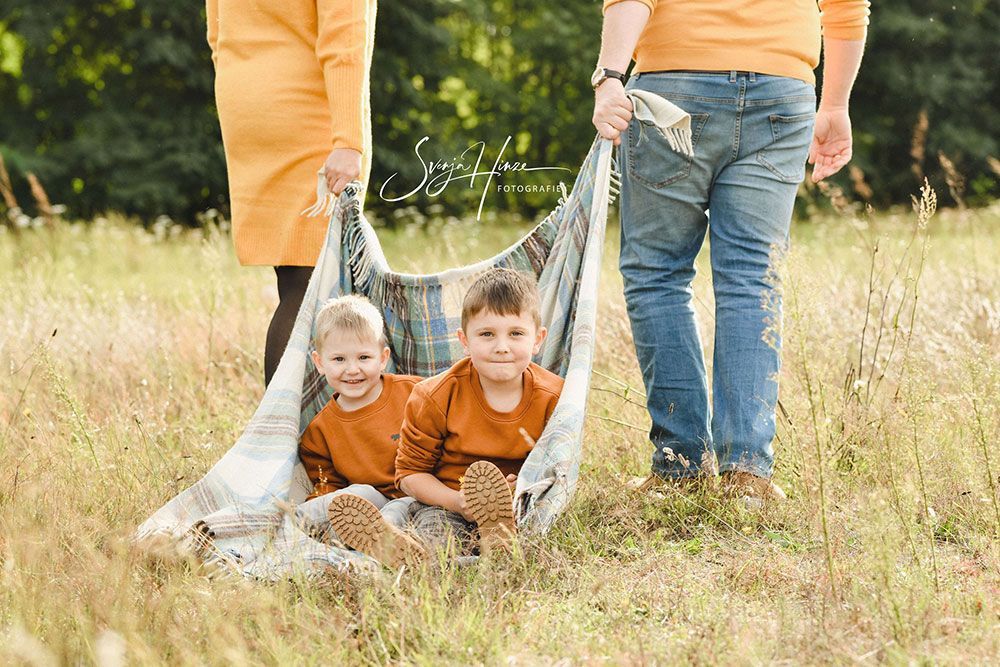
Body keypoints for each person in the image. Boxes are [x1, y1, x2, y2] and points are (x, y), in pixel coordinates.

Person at [591, 1, 870, 500]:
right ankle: (746, 474)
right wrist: (836, 105)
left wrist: (610, 75)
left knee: (657, 272)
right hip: (782, 92)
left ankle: (680, 466)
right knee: (752, 279)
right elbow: (847, 7)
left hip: (675, 88)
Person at [331, 268, 564, 562]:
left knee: (533, 532)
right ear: (464, 340)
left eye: (516, 334)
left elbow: (556, 471)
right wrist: (458, 501)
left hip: (516, 504)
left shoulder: (554, 397)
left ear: (538, 339)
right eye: (487, 334)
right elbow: (409, 475)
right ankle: (406, 553)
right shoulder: (435, 396)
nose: (501, 347)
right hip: (446, 502)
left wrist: (517, 490)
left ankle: (498, 544)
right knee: (437, 539)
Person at [205, 0, 377, 386]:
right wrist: (348, 140)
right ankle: (278, 437)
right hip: (303, 106)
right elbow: (344, 39)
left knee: (296, 278)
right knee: (308, 285)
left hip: (245, 99)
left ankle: (303, 432)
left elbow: (216, 30)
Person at [295, 295, 422, 562]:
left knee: (398, 510)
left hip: (417, 496)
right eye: (339, 359)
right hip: (366, 504)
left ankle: (385, 546)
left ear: (383, 357)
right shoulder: (319, 431)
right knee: (358, 494)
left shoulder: (415, 393)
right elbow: (328, 485)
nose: (352, 369)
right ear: (319, 363)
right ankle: (286, 526)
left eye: (364, 357)